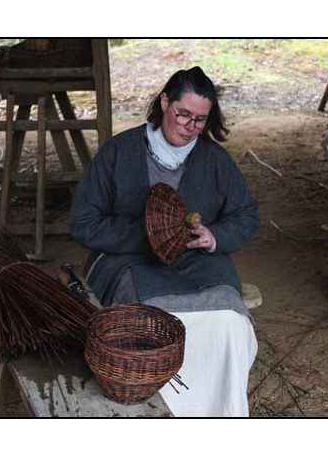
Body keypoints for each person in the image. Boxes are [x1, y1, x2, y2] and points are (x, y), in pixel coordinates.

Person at [69, 66, 259, 417]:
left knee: (229, 322)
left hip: (199, 261)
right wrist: (148, 234)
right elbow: (83, 223)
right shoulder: (119, 152)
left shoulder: (214, 160)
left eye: (200, 120)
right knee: (155, 325)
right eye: (183, 114)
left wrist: (213, 236)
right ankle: (163, 414)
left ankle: (221, 411)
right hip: (129, 260)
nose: (191, 127)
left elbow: (246, 216)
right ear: (164, 103)